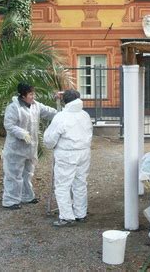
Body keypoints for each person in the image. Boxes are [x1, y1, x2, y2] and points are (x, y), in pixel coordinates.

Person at [2, 83, 57, 210]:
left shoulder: (36, 106)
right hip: (16, 148)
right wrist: (22, 134)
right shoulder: (13, 108)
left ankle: (27, 196)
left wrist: (64, 112)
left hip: (30, 148)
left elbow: (50, 112)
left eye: (33, 93)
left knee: (27, 173)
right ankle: (10, 201)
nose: (33, 96)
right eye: (31, 94)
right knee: (13, 174)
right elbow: (9, 125)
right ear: (22, 95)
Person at [43, 90, 93, 227]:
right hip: (84, 153)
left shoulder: (61, 117)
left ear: (65, 101)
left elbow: (49, 139)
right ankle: (80, 214)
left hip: (67, 154)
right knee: (80, 183)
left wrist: (50, 146)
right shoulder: (85, 115)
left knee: (62, 186)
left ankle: (66, 216)